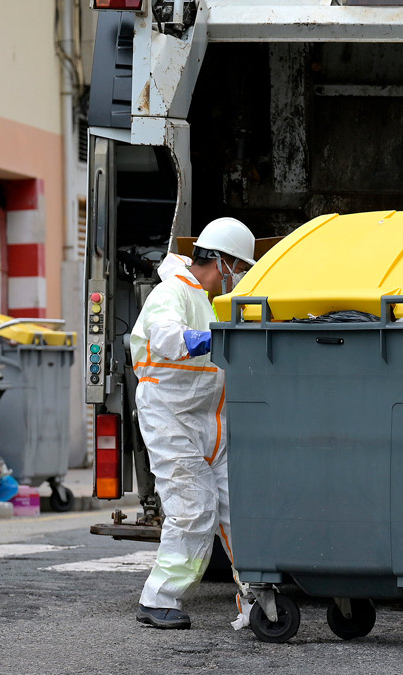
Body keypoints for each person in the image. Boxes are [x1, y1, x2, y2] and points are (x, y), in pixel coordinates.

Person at [131, 217, 258, 628]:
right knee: (193, 510)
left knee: (239, 510)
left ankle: (257, 595)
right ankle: (159, 598)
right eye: (239, 267)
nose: (239, 276)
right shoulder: (172, 292)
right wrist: (217, 338)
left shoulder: (211, 298)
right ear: (221, 260)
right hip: (171, 418)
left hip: (211, 420)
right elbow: (167, 339)